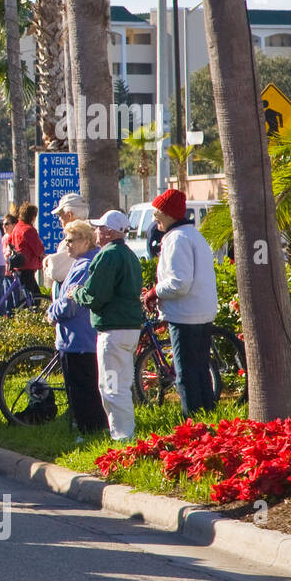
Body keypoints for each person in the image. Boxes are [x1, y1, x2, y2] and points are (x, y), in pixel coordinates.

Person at [144, 188, 220, 417]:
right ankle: (207, 418)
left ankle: (193, 425)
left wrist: (154, 291)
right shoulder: (193, 235)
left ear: (168, 214)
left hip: (185, 316)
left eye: (157, 212)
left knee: (186, 374)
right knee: (200, 372)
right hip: (202, 312)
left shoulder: (177, 239)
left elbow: (179, 283)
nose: (155, 217)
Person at [72, 210, 143, 442]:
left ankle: (122, 437)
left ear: (110, 232)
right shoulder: (129, 255)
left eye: (100, 228)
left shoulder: (108, 255)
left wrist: (76, 293)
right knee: (121, 383)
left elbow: (95, 295)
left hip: (113, 332)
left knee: (112, 386)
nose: (96, 231)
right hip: (129, 329)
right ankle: (126, 433)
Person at [46, 220, 105, 435]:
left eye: (71, 240)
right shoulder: (80, 262)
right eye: (65, 239)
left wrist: (51, 312)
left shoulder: (85, 265)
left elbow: (70, 304)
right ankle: (89, 428)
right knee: (81, 388)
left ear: (86, 241)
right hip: (76, 337)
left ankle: (89, 431)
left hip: (78, 338)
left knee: (82, 389)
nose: (66, 244)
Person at [41, 192, 90, 292]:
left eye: (60, 214)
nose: (59, 219)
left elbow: (56, 271)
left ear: (69, 215)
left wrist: (47, 261)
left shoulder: (76, 240)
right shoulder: (93, 235)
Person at [8, 203, 45, 297]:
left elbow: (10, 241)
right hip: (28, 265)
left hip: (19, 265)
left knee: (32, 295)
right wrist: (42, 254)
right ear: (32, 216)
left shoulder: (17, 228)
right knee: (32, 298)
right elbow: (38, 249)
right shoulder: (28, 230)